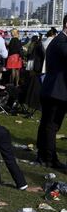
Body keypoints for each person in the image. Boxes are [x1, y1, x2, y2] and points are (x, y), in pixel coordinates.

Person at [36, 15, 67, 171]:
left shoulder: (60, 40)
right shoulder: (61, 41)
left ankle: (44, 155)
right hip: (56, 91)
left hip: (55, 90)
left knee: (48, 125)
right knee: (51, 126)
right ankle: (49, 158)